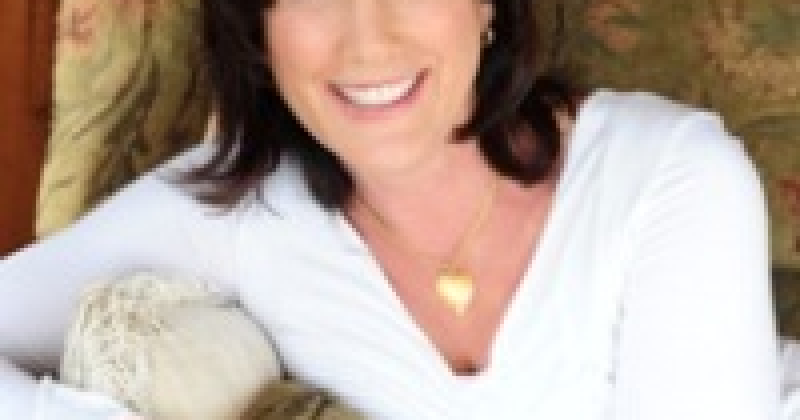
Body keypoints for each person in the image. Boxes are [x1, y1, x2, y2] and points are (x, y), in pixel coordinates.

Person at [0, 0, 782, 418]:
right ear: (260, 32)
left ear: (487, 7)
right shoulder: (238, 210)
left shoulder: (667, 177)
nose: (366, 43)